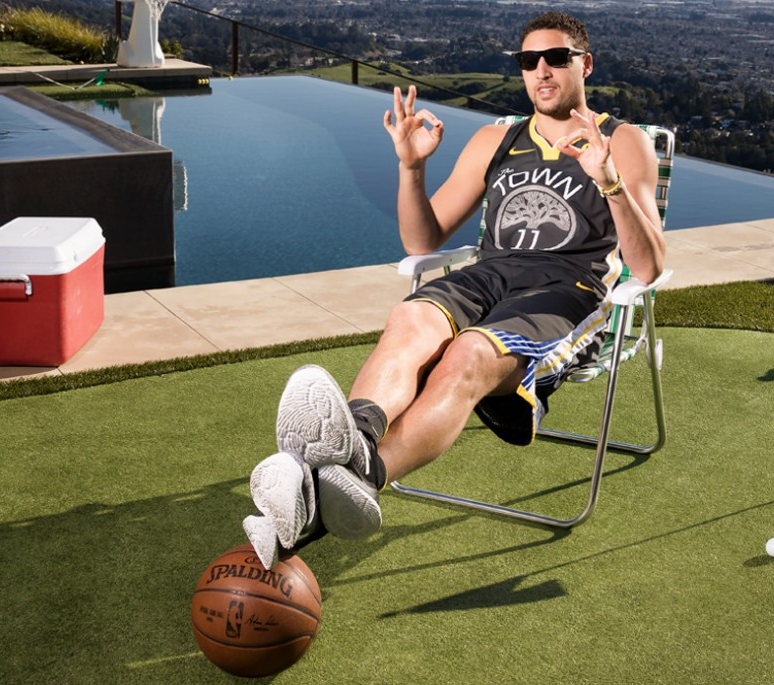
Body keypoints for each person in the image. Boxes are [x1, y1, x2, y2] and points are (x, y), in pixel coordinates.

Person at [242, 11, 666, 568]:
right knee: (410, 320)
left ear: (584, 64)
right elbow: (423, 238)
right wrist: (411, 169)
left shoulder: (622, 140)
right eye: (527, 60)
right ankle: (357, 442)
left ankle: (356, 477)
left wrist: (606, 178)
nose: (541, 70)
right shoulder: (499, 138)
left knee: (467, 353)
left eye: (556, 58)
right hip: (487, 274)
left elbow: (649, 265)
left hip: (566, 293)